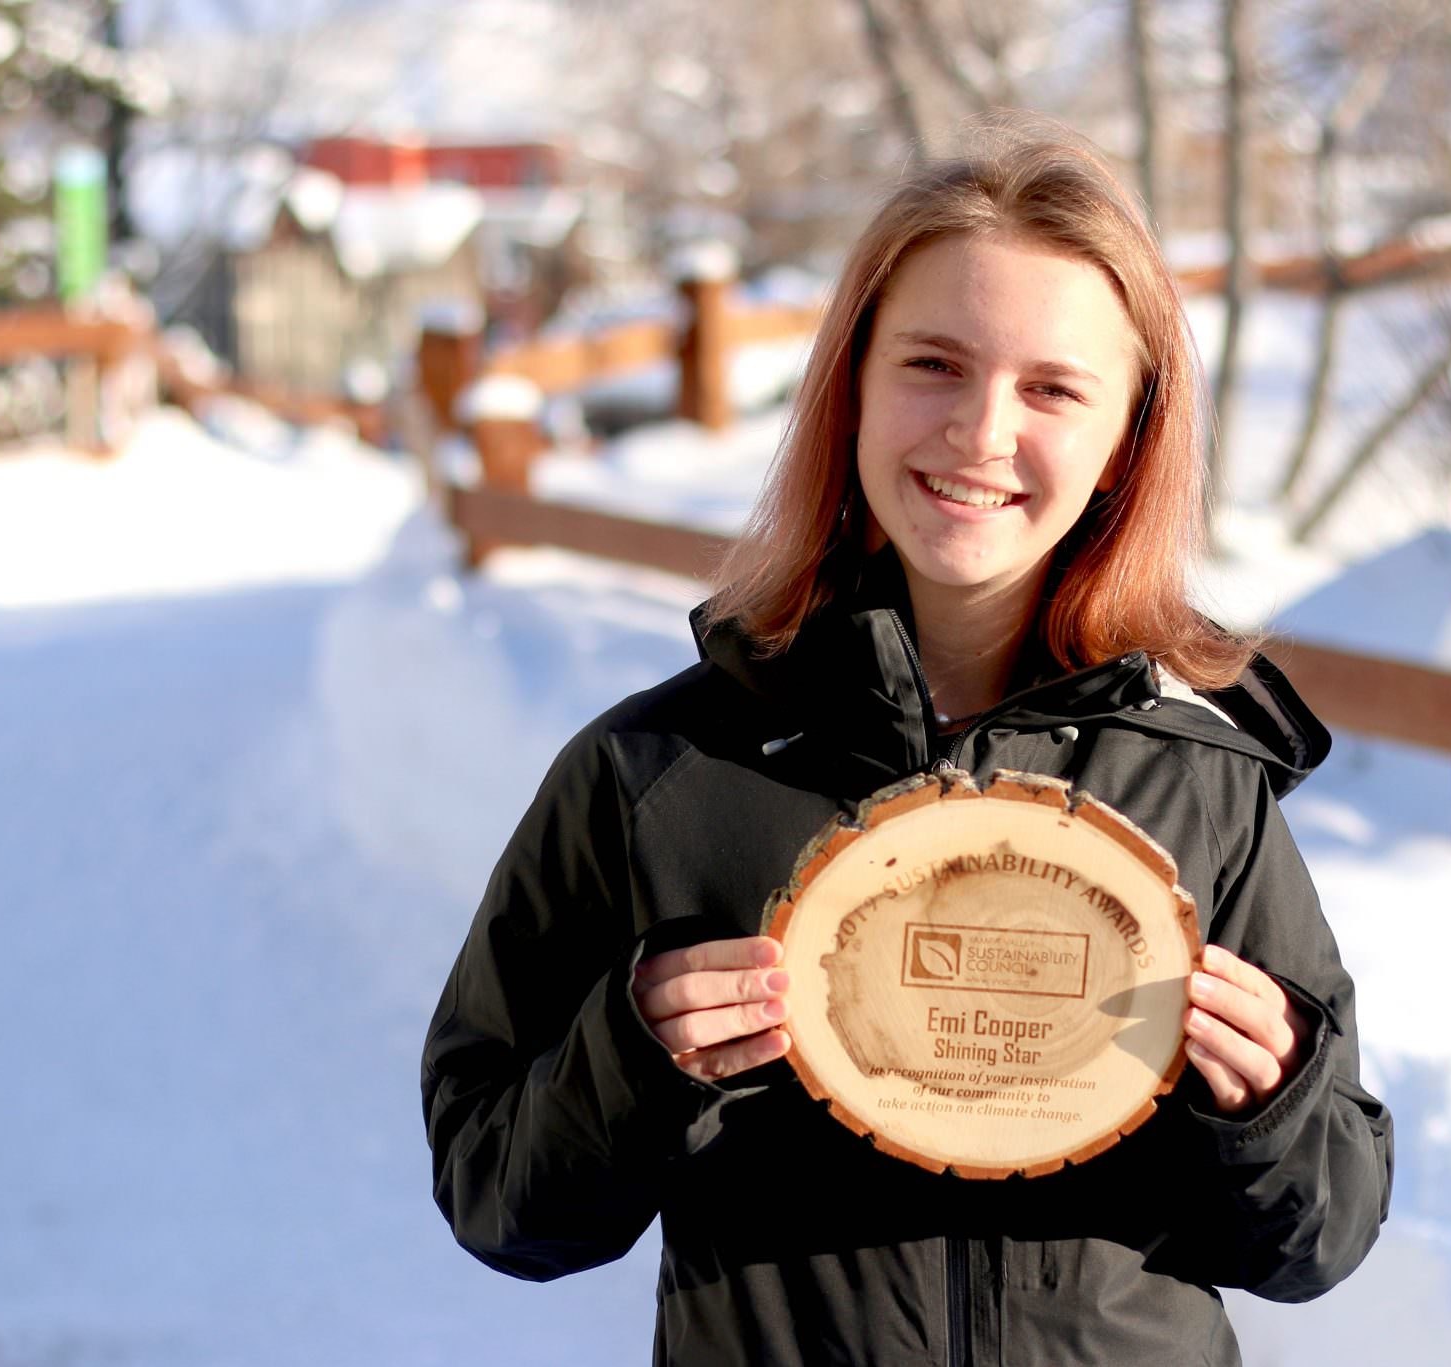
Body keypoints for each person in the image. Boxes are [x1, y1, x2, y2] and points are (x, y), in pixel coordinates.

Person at [422, 112, 1393, 1366]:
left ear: (1122, 441)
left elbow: (1321, 1236)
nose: (980, 432)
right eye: (933, 363)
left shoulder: (1198, 784)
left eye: (1051, 388)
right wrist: (632, 1052)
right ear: (852, 387)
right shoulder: (659, 773)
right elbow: (495, 1193)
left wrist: (1273, 1099)